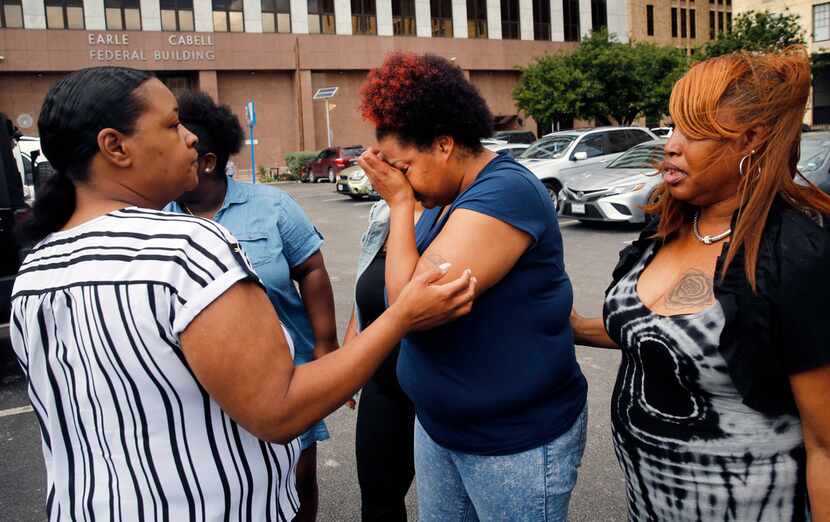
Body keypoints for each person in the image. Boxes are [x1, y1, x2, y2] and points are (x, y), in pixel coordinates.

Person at [9, 66, 476, 521]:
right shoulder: (185, 246)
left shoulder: (37, 266)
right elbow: (280, 411)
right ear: (115, 146)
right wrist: (402, 316)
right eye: (172, 126)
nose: (190, 138)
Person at [571, 49, 830, 521]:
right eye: (672, 126)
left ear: (751, 139)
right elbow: (659, 334)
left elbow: (826, 444)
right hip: (650, 503)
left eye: (694, 131)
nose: (670, 144)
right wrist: (574, 326)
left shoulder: (793, 253)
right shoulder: (666, 226)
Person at [357, 53, 588, 521]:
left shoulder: (505, 191)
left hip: (511, 442)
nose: (400, 180)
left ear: (444, 144)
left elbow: (409, 305)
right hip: (441, 428)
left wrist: (401, 205)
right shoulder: (446, 194)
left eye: (404, 167)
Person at [164, 91, 336, 522]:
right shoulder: (158, 218)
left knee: (296, 483)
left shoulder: (272, 206)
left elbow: (311, 270)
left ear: (206, 161)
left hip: (288, 376)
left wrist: (326, 345)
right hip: (199, 384)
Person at [344, 198, 424, 521]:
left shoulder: (461, 207)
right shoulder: (384, 211)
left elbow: (405, 297)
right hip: (384, 382)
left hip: (440, 383)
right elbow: (369, 289)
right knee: (379, 498)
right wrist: (350, 356)